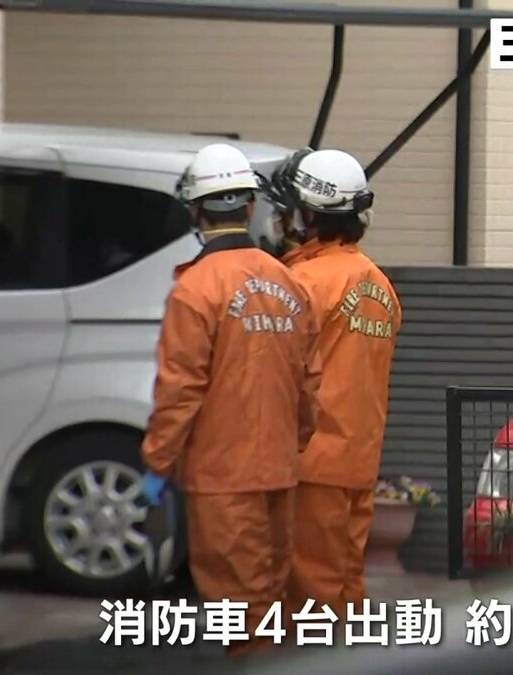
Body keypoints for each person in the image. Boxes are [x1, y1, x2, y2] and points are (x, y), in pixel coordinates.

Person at [138, 143, 323, 658]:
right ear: (249, 206)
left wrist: (157, 464)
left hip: (222, 478)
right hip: (278, 472)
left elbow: (180, 390)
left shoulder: (195, 290)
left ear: (195, 211)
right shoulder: (288, 281)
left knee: (239, 609)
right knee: (271, 598)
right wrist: (293, 442)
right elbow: (309, 383)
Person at [262, 148, 401, 629]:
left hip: (309, 462)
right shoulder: (380, 285)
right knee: (345, 586)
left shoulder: (299, 283)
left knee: (308, 597)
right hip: (357, 463)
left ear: (308, 215)